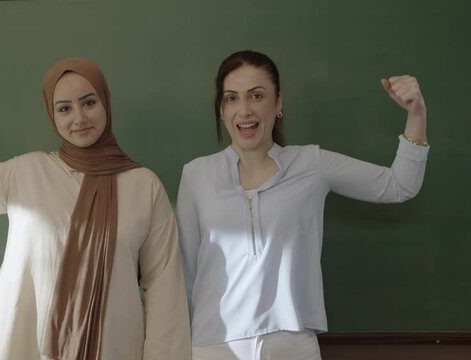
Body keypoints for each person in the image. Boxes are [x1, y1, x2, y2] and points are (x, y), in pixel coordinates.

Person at [0, 58, 190, 360]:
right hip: (28, 347)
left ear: (105, 103)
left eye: (89, 103)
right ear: (52, 113)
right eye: (65, 108)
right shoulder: (26, 172)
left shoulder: (143, 186)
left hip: (114, 346)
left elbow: (165, 290)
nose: (79, 118)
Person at [176, 50, 428, 360]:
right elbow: (185, 273)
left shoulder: (311, 164)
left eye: (256, 96)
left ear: (278, 103)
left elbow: (400, 185)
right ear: (221, 108)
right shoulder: (196, 174)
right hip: (212, 345)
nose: (244, 110)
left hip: (291, 343)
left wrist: (416, 113)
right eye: (232, 98)